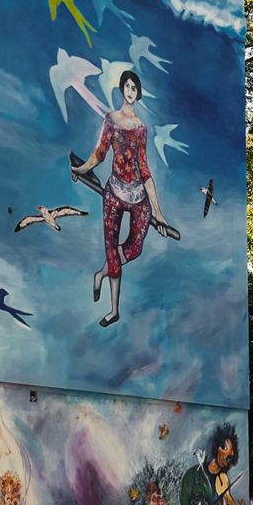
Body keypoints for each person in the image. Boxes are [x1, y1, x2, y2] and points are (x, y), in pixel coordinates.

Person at [75, 68, 175, 327]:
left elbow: (145, 168)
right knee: (111, 246)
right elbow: (100, 152)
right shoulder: (110, 119)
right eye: (127, 87)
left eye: (135, 88)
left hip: (138, 195)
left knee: (134, 247)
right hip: (114, 193)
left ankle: (100, 274)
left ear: (137, 94)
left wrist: (159, 212)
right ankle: (114, 310)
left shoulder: (141, 129)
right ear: (122, 89)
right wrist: (82, 170)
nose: (131, 91)